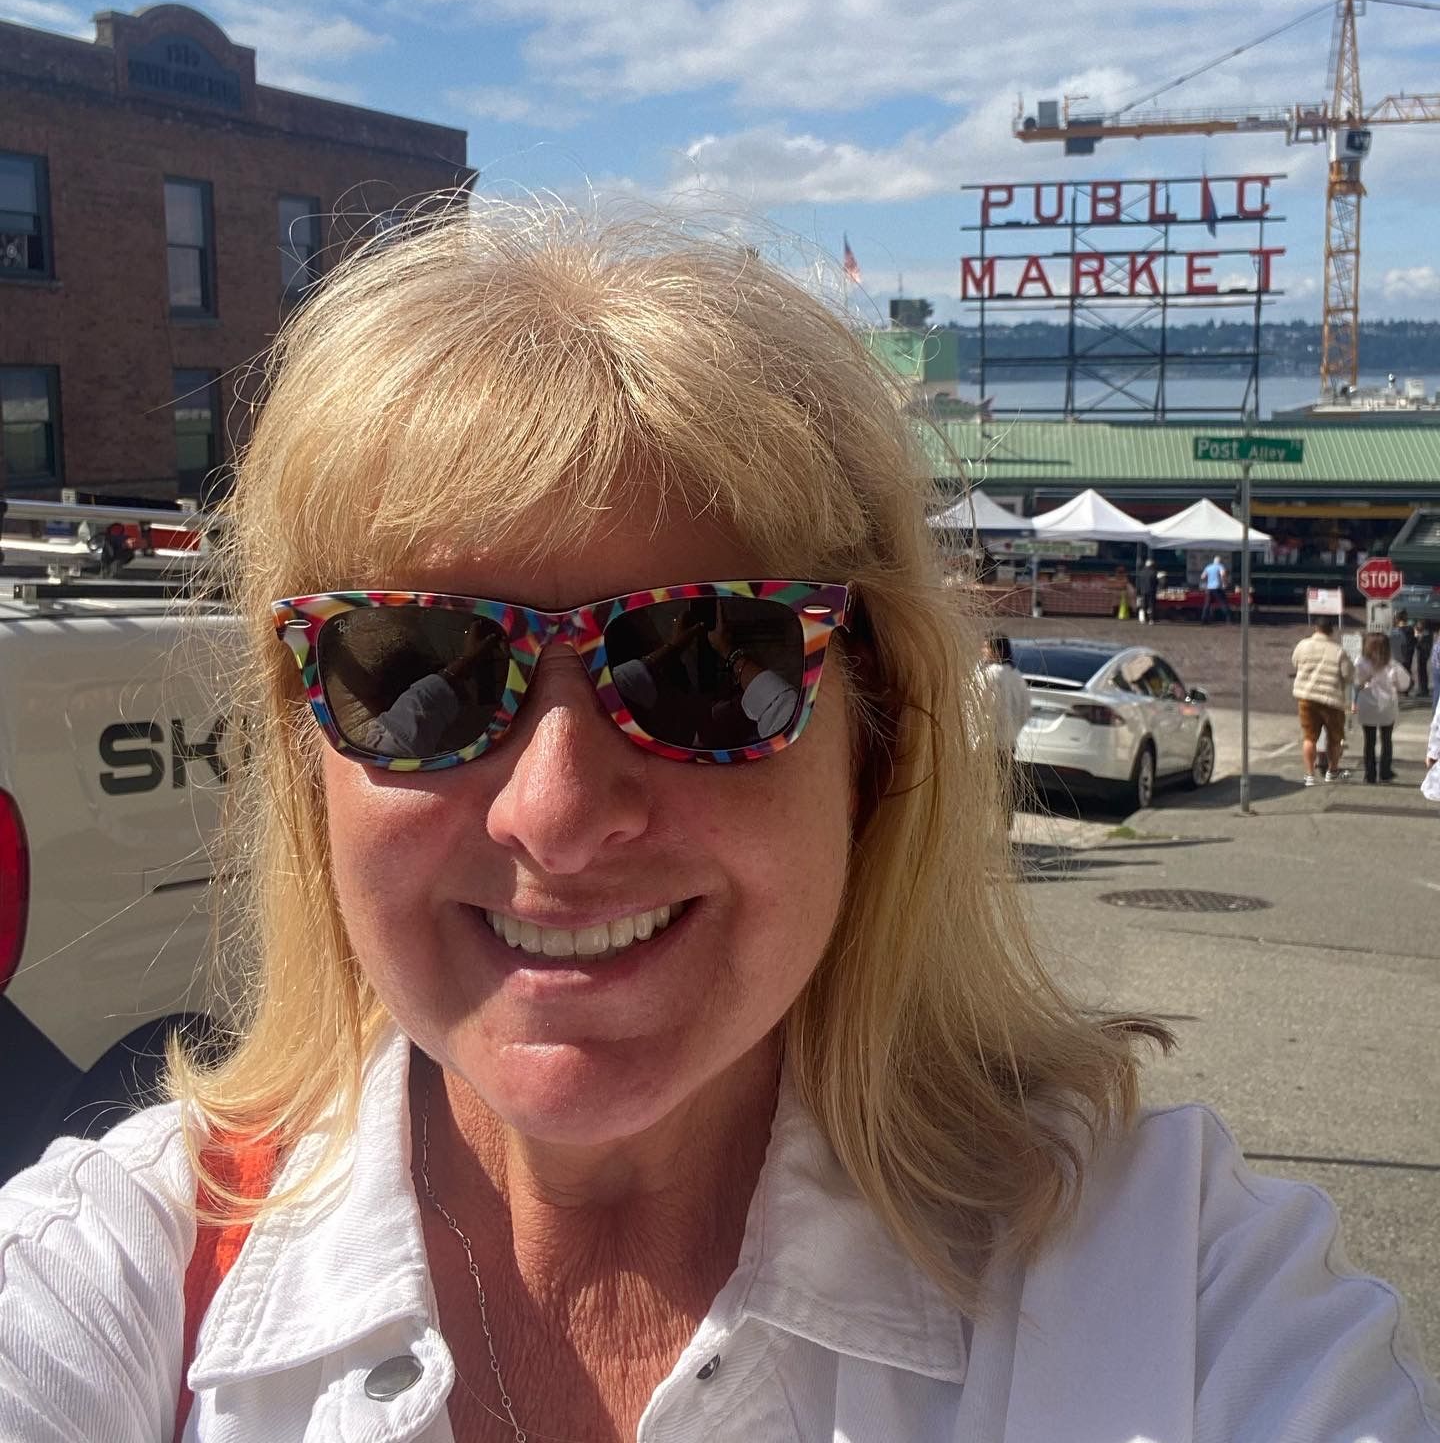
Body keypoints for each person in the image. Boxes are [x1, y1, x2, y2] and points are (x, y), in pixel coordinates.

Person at [2, 208, 1436, 1443]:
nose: (555, 814)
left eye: (700, 663)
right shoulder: (122, 1279)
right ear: (312, 746)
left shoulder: (1166, 1295)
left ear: (875, 735)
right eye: (419, 671)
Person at [1292, 613, 1354, 787]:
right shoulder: (1338, 651)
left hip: (1306, 697)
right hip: (1331, 699)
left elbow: (1295, 662)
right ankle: (1332, 771)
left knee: (1309, 737)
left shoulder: (1302, 645)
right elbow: (1348, 675)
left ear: (1316, 629)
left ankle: (1309, 775)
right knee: (1334, 738)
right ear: (1331, 632)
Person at [978, 631, 1032, 796]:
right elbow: (1026, 711)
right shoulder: (1017, 677)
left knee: (982, 792)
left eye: (986, 647)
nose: (983, 651)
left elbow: (980, 709)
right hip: (1008, 743)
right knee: (1003, 792)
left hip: (985, 744)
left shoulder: (989, 675)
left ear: (998, 651)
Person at [1353, 631, 1411, 784]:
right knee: (1386, 739)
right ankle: (1385, 771)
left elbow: (1356, 682)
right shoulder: (1392, 665)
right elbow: (1404, 684)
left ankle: (1369, 774)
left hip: (1367, 704)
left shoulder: (1360, 662)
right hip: (1386, 706)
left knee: (1369, 741)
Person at [1199, 552, 1230, 623]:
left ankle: (1204, 620)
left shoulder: (1208, 567)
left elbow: (1202, 577)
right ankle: (1228, 619)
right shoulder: (1220, 566)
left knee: (1207, 604)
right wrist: (1224, 583)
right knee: (1223, 603)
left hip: (1209, 588)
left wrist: (1208, 580)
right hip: (1217, 587)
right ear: (1220, 561)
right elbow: (1223, 575)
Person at [1391, 609, 1416, 679]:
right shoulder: (1410, 630)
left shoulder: (1395, 631)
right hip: (1407, 660)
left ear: (1397, 618)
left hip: (1397, 661)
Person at [1134, 555, 1158, 625]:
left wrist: (1138, 591)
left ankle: (1143, 619)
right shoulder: (1153, 572)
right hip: (1151, 591)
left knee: (1143, 605)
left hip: (1143, 591)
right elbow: (1155, 582)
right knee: (1151, 606)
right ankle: (1151, 619)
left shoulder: (1141, 572)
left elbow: (1138, 583)